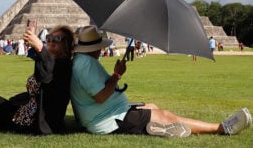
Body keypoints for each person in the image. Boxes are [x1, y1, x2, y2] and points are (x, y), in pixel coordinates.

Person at [70, 25, 252, 137]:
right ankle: (221, 128)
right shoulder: (85, 64)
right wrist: (117, 75)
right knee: (165, 115)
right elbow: (100, 96)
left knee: (152, 106)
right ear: (94, 47)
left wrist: (116, 74)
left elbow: (98, 89)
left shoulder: (84, 61)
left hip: (111, 113)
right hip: (107, 121)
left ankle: (155, 128)